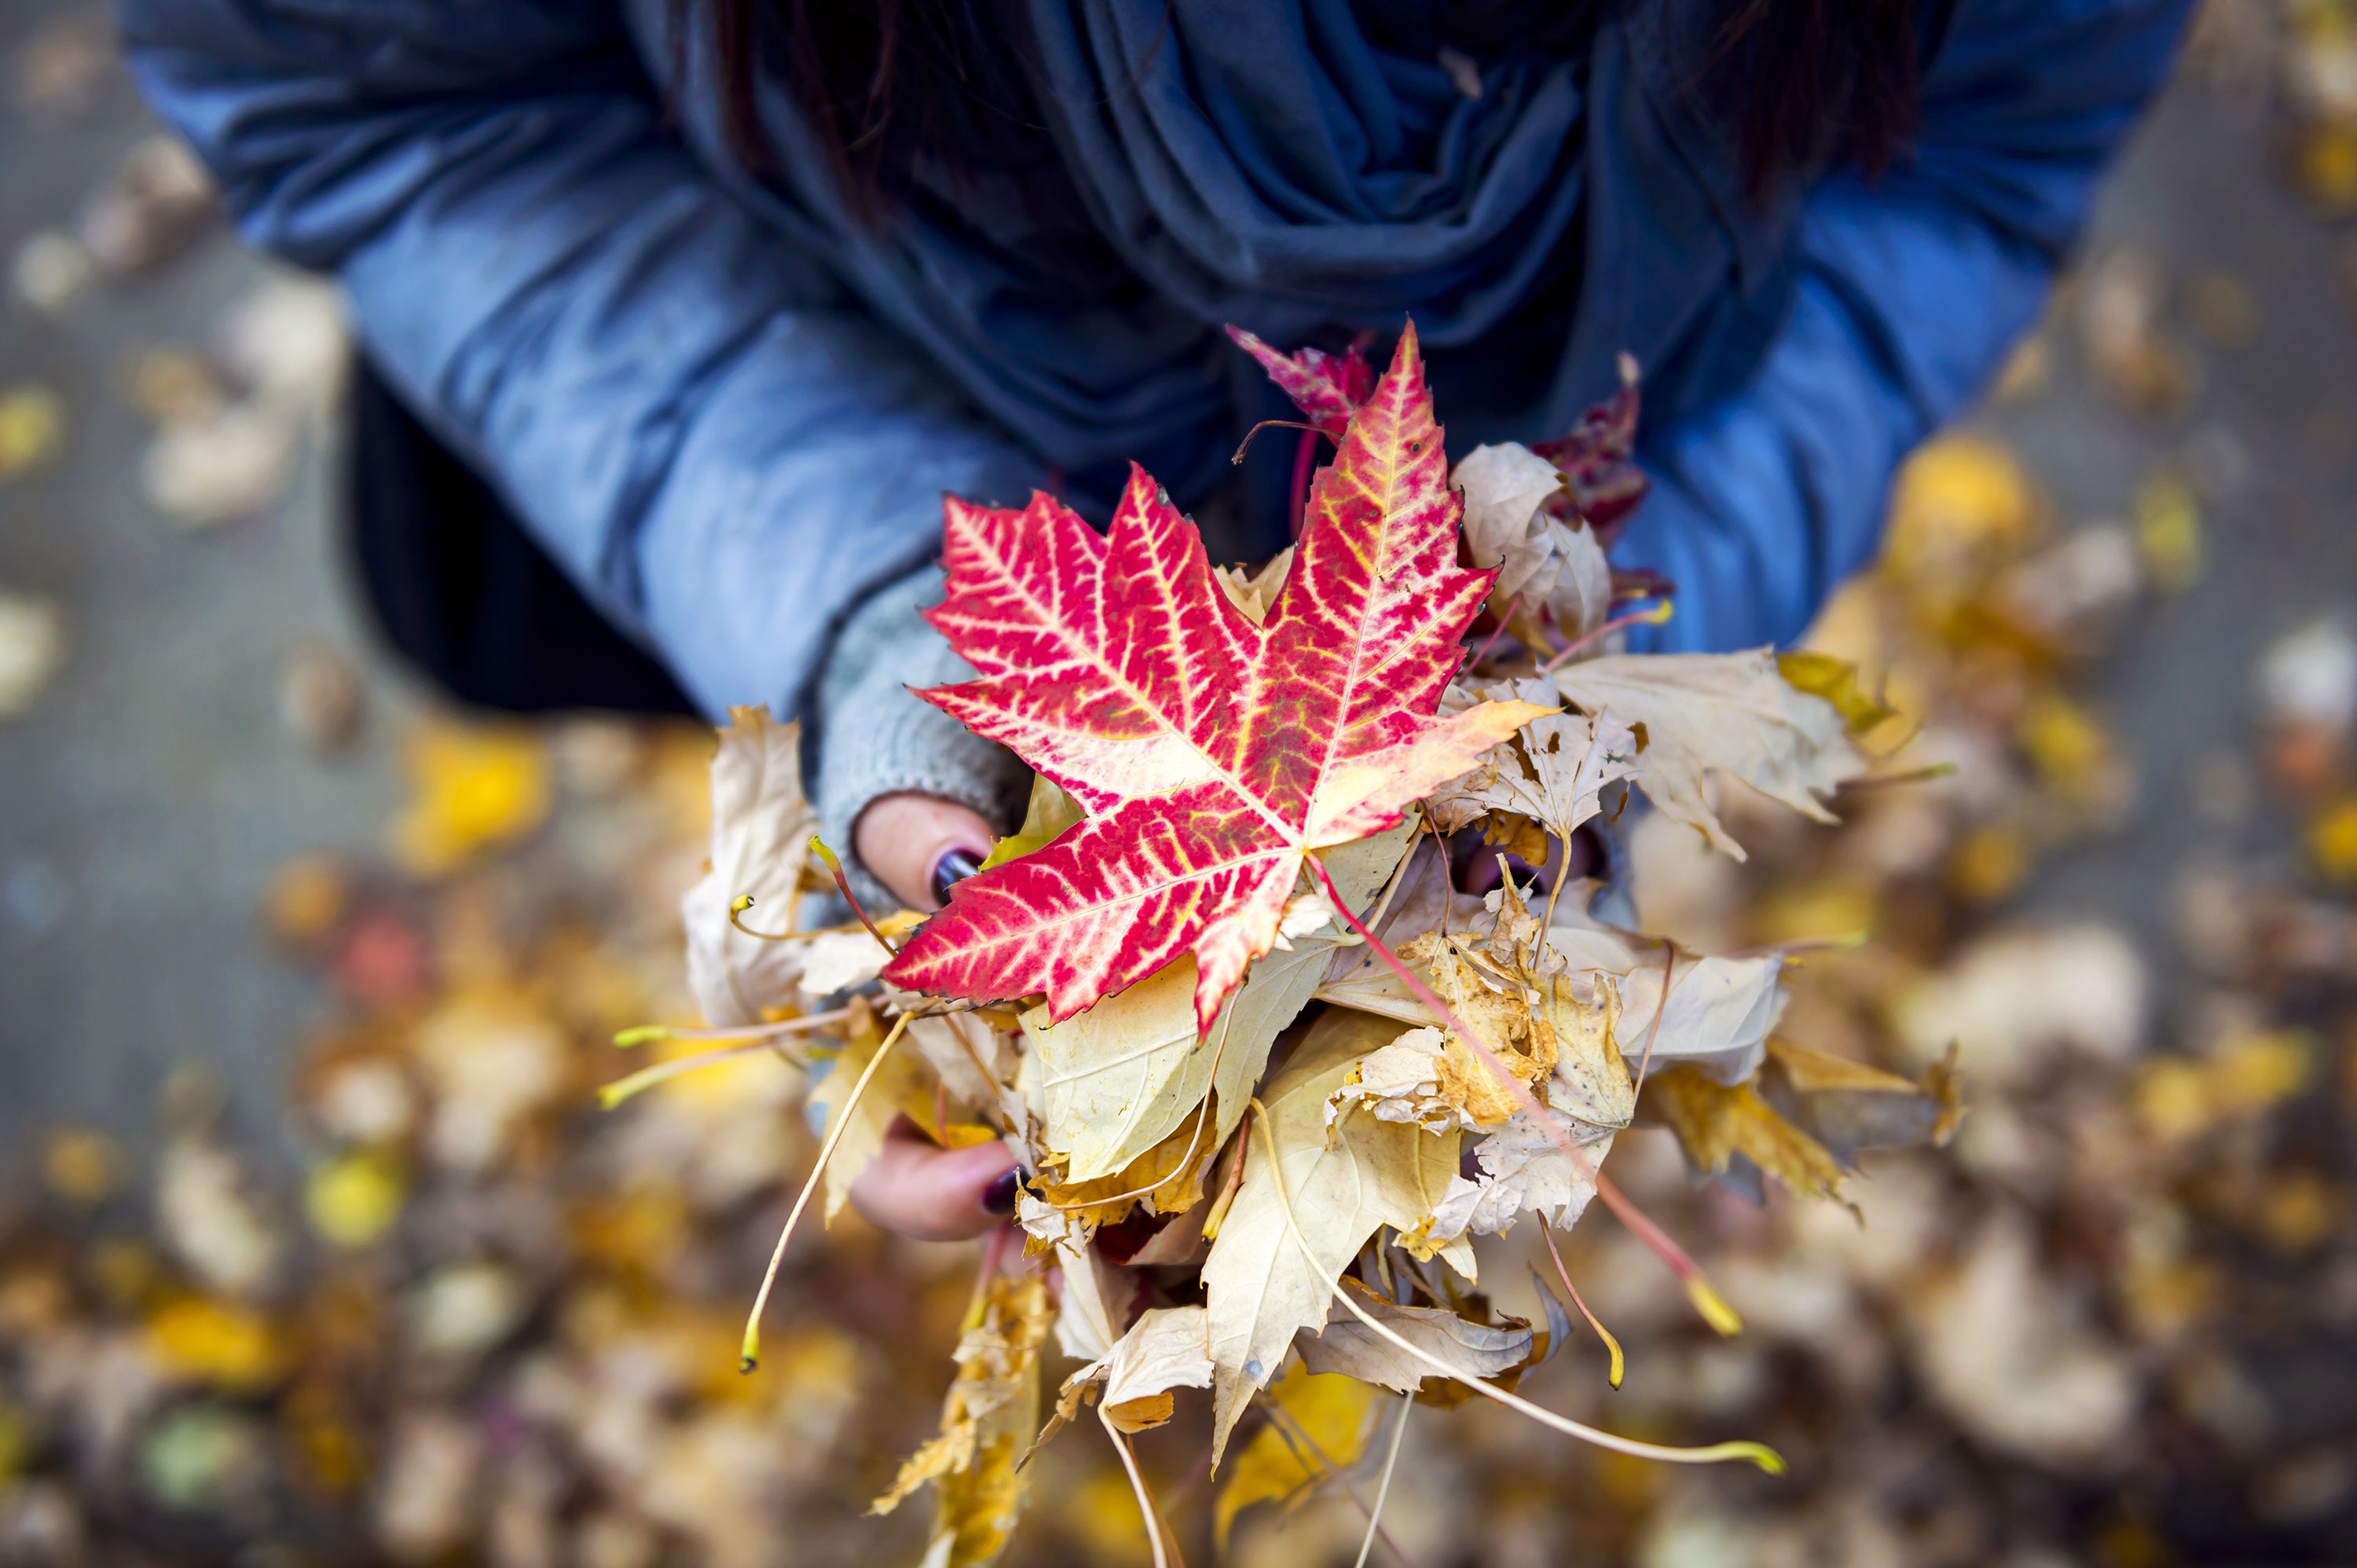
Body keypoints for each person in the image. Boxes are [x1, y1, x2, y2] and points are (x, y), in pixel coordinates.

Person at [118, 0, 2191, 1239]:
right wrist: (872, 623)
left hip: (1465, 629)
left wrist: (1583, 695)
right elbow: (399, 96)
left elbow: (1976, 154)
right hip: (827, 394)